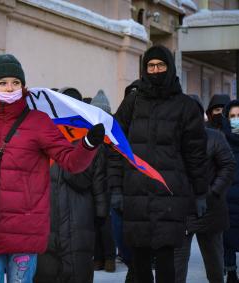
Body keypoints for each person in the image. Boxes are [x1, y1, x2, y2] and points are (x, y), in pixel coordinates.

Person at [0, 53, 105, 282]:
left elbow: (71, 162)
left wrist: (88, 144)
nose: (9, 88)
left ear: (24, 87)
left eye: (15, 83)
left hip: (25, 229)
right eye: (3, 83)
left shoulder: (39, 121)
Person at [109, 45, 208, 283]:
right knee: (139, 262)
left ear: (170, 68)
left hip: (170, 194)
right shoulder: (132, 103)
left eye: (160, 65)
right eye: (151, 66)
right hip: (136, 194)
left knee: (166, 261)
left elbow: (195, 154)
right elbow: (114, 147)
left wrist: (200, 193)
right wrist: (115, 189)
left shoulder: (185, 106)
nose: (155, 70)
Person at [33, 89, 108, 283]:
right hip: (47, 220)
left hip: (78, 218)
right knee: (47, 272)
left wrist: (101, 212)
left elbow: (91, 180)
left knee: (75, 271)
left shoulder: (89, 141)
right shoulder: (43, 139)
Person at [174, 94, 235, 283]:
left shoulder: (215, 137)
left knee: (215, 265)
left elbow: (228, 166)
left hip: (210, 209)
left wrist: (212, 192)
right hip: (180, 211)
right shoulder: (171, 140)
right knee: (176, 267)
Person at [90, 90, 116, 273]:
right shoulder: (90, 133)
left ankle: (109, 258)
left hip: (108, 187)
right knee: (95, 224)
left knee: (106, 226)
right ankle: (98, 258)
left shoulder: (113, 134)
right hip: (93, 185)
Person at [221, 100, 239, 283]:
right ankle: (231, 271)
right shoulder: (221, 140)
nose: (236, 120)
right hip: (227, 201)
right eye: (232, 117)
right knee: (228, 242)